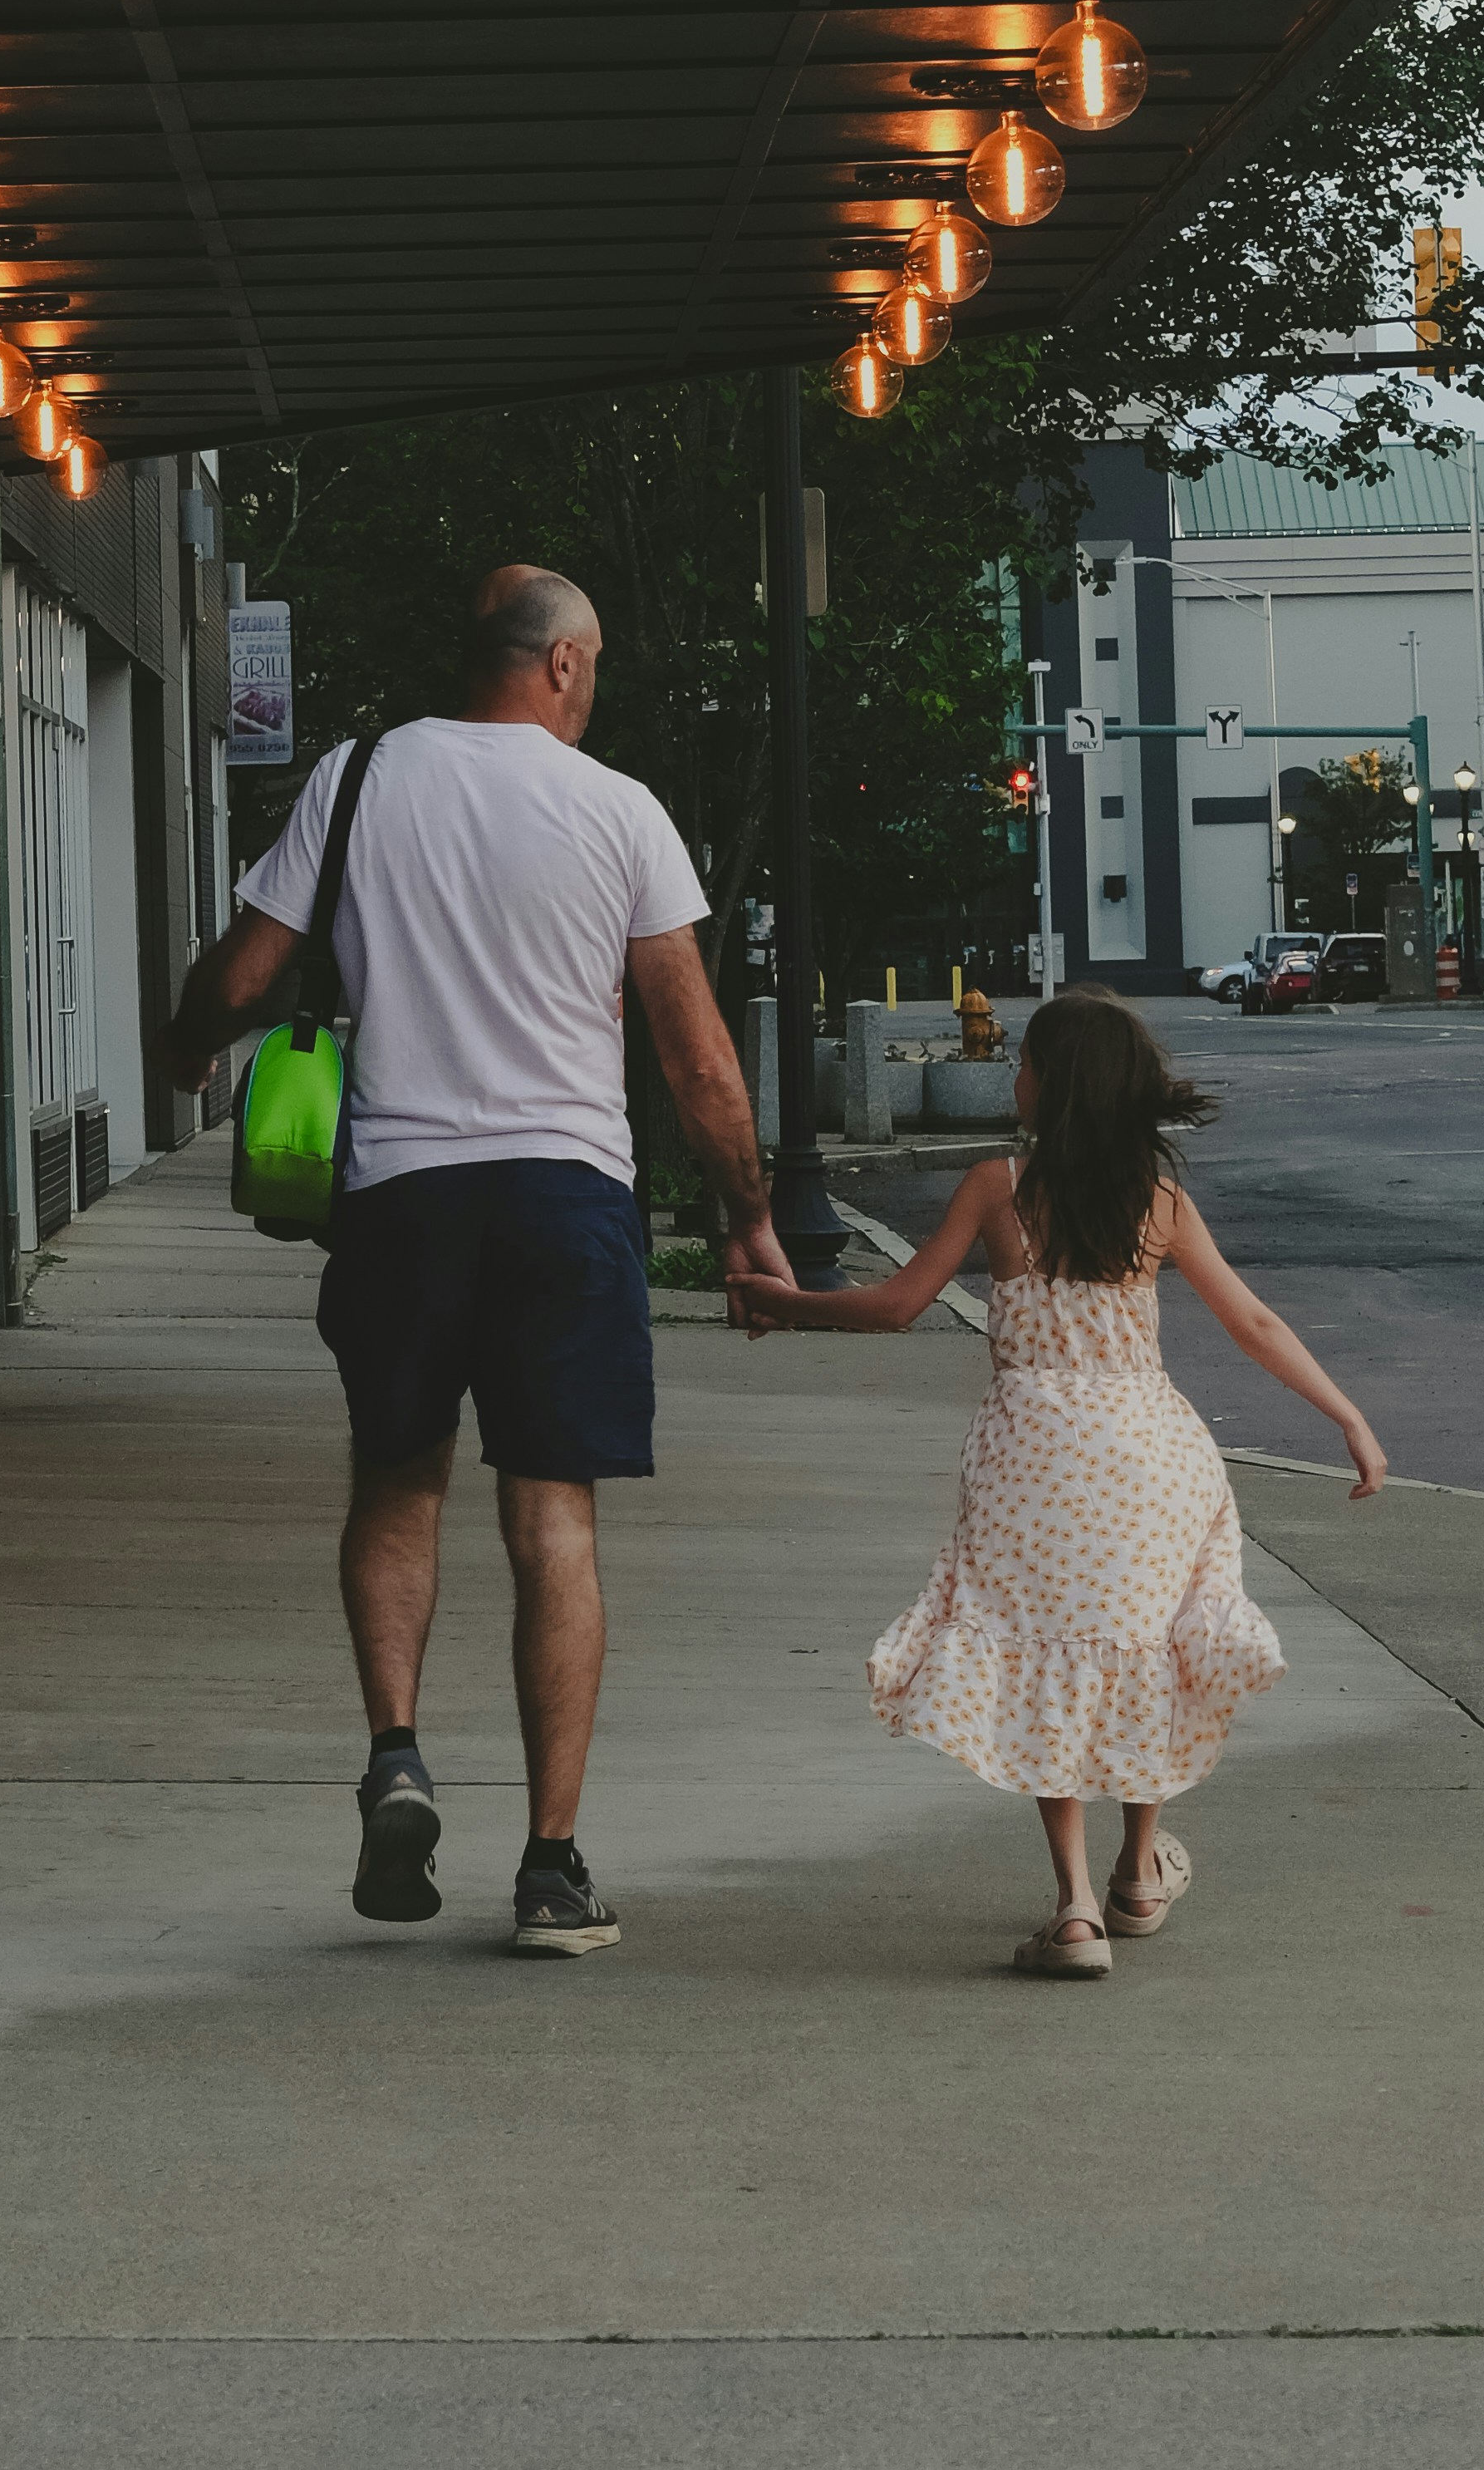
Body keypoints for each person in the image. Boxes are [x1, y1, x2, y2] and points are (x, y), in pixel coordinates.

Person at [161, 563, 779, 1961]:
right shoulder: (619, 810)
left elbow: (250, 976)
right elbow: (694, 1056)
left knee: (397, 1485)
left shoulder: (360, 778)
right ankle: (553, 1869)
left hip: (402, 1198)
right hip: (566, 1201)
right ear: (560, 665)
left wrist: (186, 1040)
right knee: (551, 1520)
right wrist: (746, 1214)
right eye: (597, 662)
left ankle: (395, 1754)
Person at [731, 982, 1383, 1973]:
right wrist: (1345, 1415)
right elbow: (1251, 1321)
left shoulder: (997, 1187)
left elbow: (901, 1304)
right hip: (1147, 1452)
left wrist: (790, 1303)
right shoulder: (1158, 1201)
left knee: (1044, 1649)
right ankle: (1134, 1871)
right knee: (1144, 1644)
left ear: (1053, 1088)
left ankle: (1074, 1907)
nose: (1015, 1077)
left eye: (1024, 1064)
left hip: (1029, 1456)